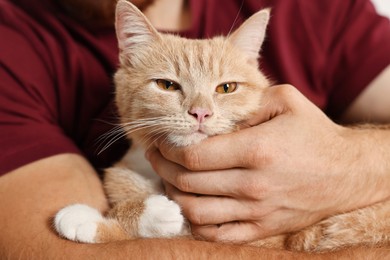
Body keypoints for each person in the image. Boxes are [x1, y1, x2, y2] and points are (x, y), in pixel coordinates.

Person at [0, 0, 389, 258]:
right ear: (127, 61)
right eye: (169, 85)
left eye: (225, 88)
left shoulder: (318, 9)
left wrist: (351, 163)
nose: (200, 110)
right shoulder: (15, 33)